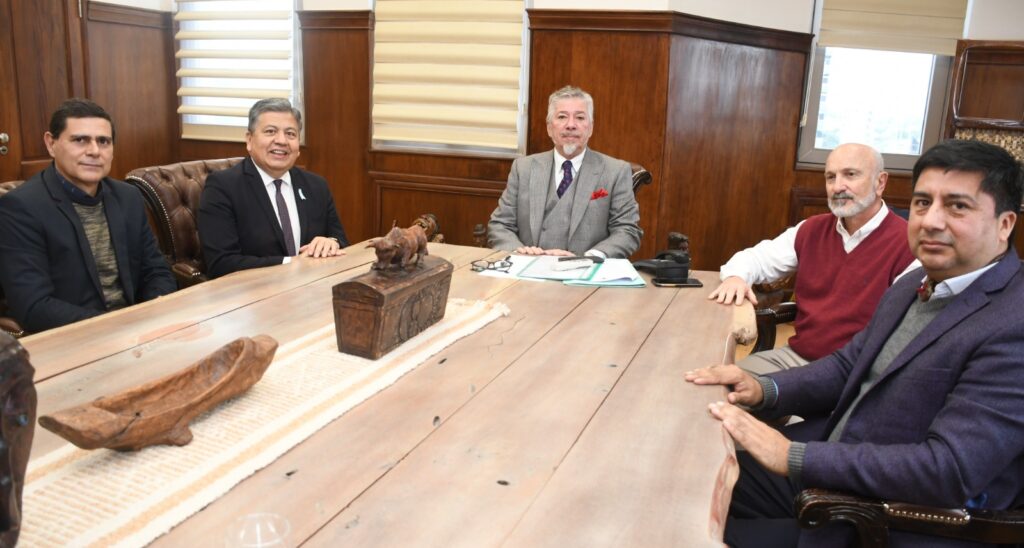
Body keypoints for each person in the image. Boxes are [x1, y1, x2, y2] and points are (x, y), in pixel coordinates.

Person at [687, 139, 1024, 548]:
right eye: (921, 203)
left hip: (889, 518)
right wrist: (765, 388)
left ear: (1005, 224)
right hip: (841, 463)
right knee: (698, 479)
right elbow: (850, 364)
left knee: (689, 533)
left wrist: (795, 457)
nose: (931, 221)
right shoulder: (914, 285)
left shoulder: (1013, 322)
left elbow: (948, 470)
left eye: (957, 206)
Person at [709, 143, 918, 374]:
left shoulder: (909, 245)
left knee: (757, 398)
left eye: (850, 175)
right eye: (830, 177)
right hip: (795, 358)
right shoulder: (811, 229)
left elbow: (901, 337)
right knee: (720, 384)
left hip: (858, 372)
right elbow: (755, 259)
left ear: (880, 182)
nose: (838, 186)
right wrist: (736, 277)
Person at [0, 98, 175, 333]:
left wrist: (151, 315)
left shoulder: (128, 197)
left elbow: (156, 270)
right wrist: (116, 327)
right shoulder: (21, 207)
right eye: (80, 140)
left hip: (138, 332)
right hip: (71, 340)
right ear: (51, 144)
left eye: (103, 141)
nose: (94, 151)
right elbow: (34, 307)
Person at [198, 98, 349, 278]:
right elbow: (221, 263)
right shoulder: (223, 187)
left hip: (311, 292)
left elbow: (341, 240)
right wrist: (292, 263)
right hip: (252, 296)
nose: (281, 141)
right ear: (249, 140)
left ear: (298, 145)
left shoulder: (316, 186)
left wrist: (331, 242)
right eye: (270, 131)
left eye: (290, 134)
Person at [487, 86, 641, 258]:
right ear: (549, 128)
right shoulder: (523, 168)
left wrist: (589, 258)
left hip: (584, 274)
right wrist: (518, 252)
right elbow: (500, 225)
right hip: (528, 271)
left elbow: (627, 231)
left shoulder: (616, 171)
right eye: (562, 117)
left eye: (580, 117)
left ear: (590, 128)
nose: (571, 125)